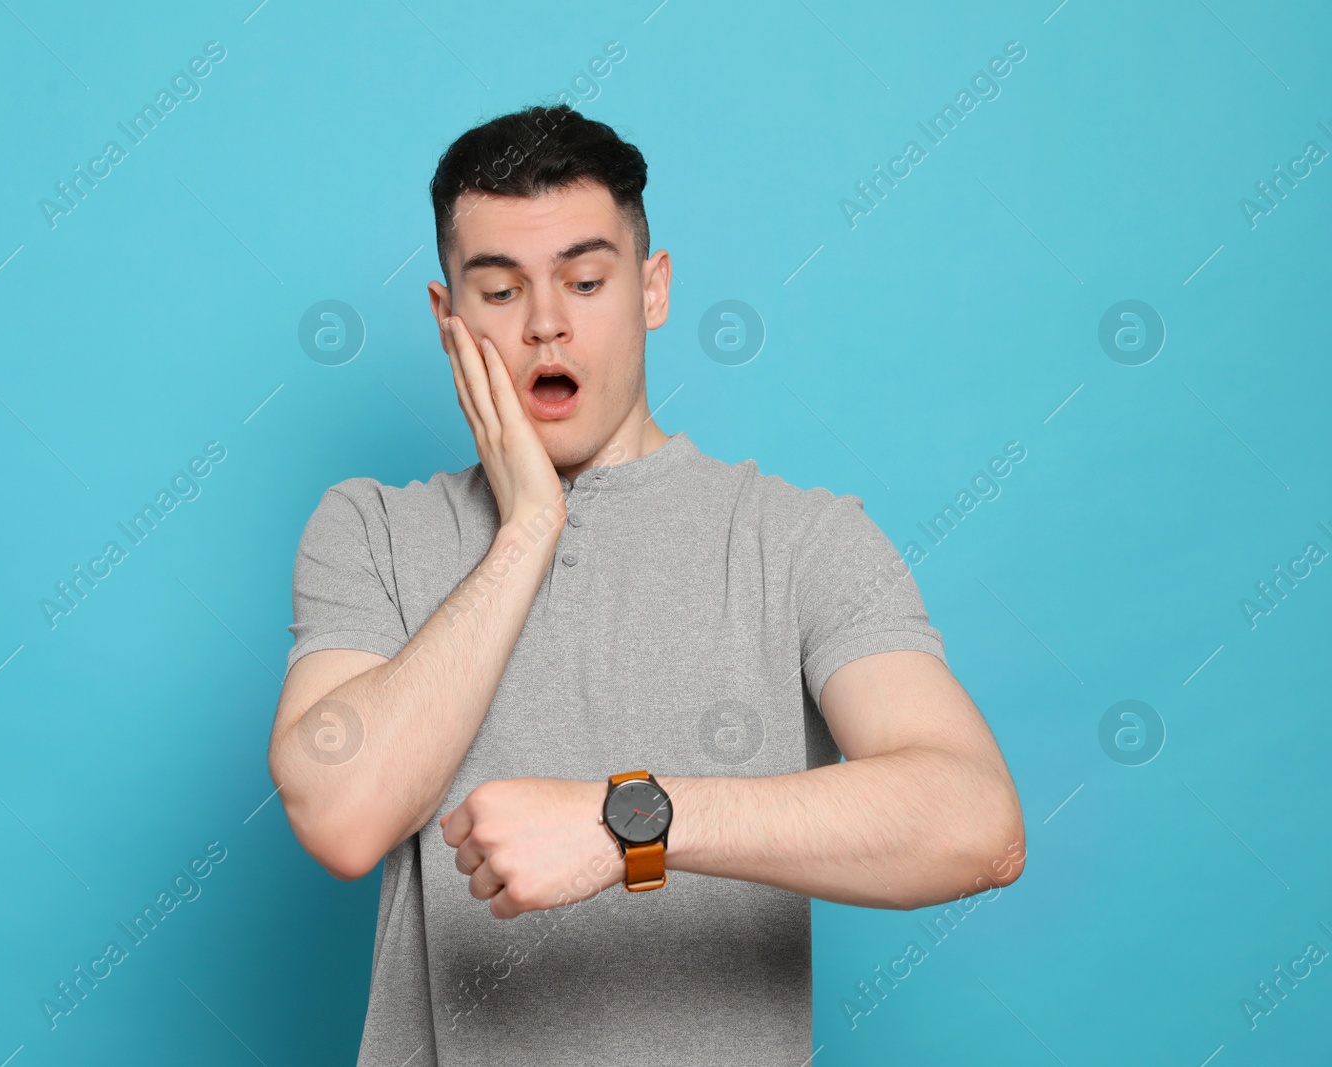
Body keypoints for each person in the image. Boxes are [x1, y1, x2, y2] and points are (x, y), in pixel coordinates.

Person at [268, 103, 1024, 1066]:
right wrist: (530, 528)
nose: (547, 323)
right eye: (499, 291)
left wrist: (627, 823)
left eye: (586, 280)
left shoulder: (799, 539)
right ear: (446, 318)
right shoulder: (371, 528)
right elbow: (340, 813)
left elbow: (978, 825)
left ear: (652, 289)